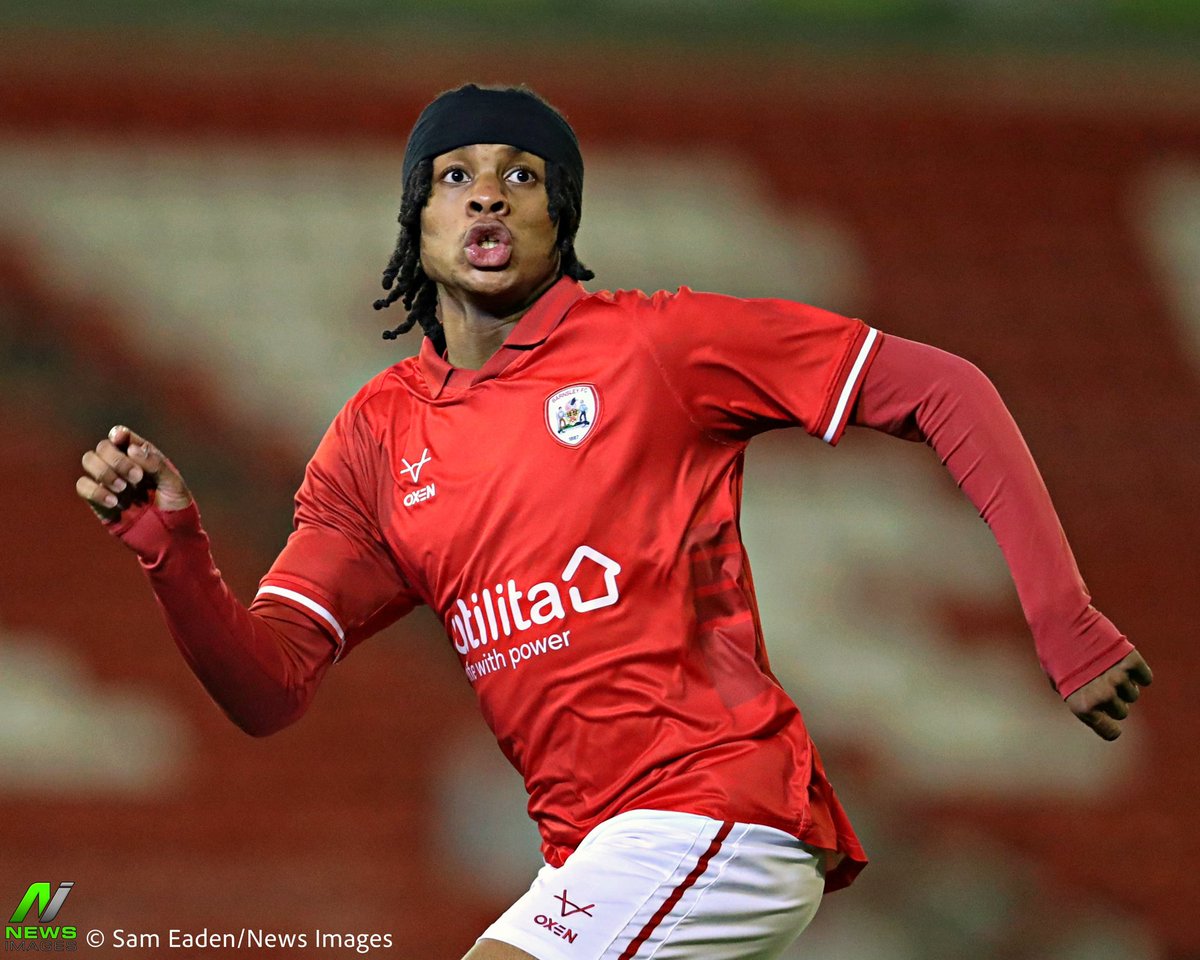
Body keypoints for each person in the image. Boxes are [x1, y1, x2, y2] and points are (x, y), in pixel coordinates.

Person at [75, 84, 1152, 960]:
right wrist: (176, 556)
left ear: (562, 217)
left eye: (522, 177)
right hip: (595, 850)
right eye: (457, 177)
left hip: (714, 807)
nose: (488, 197)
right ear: (419, 216)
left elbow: (942, 387)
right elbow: (269, 687)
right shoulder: (376, 439)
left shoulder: (655, 349)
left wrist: (1064, 621)